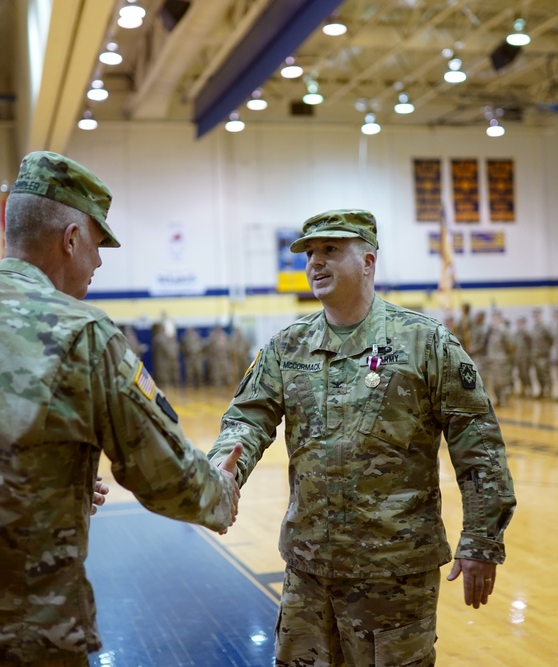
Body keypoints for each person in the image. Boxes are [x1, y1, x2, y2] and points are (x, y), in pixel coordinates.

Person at [0, 150, 242, 667]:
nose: (98, 263)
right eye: (97, 246)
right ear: (70, 239)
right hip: (16, 632)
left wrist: (60, 480)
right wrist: (220, 492)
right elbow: (168, 478)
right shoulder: (81, 332)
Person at [207, 209, 516, 666]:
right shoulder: (287, 346)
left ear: (368, 262)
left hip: (394, 577)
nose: (315, 262)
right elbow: (248, 419)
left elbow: (478, 442)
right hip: (308, 572)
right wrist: (222, 467)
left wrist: (482, 539)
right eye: (310, 253)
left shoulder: (425, 343)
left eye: (331, 250)